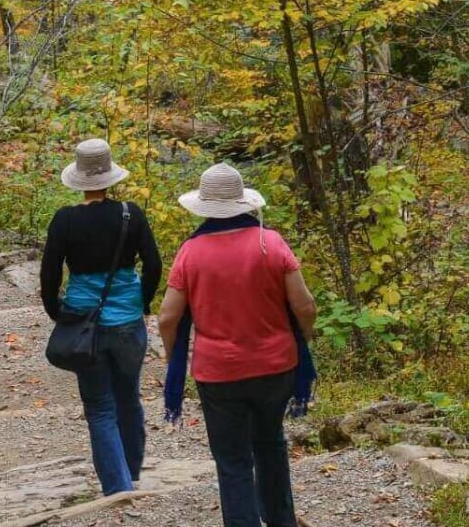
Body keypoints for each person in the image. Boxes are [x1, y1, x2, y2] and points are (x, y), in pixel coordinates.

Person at [159, 163, 318, 527]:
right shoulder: (271, 242)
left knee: (232, 460)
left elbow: (169, 317)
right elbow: (304, 305)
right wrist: (302, 339)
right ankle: (281, 520)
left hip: (218, 373)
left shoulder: (191, 252)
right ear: (244, 202)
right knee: (270, 445)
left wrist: (172, 356)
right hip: (276, 365)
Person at [40, 138, 162, 496]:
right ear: (110, 178)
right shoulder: (131, 214)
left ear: (78, 180)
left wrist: (56, 311)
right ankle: (133, 472)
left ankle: (117, 487)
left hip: (82, 322)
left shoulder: (64, 220)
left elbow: (50, 274)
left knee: (98, 407)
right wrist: (142, 301)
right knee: (129, 397)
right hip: (127, 321)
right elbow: (153, 264)